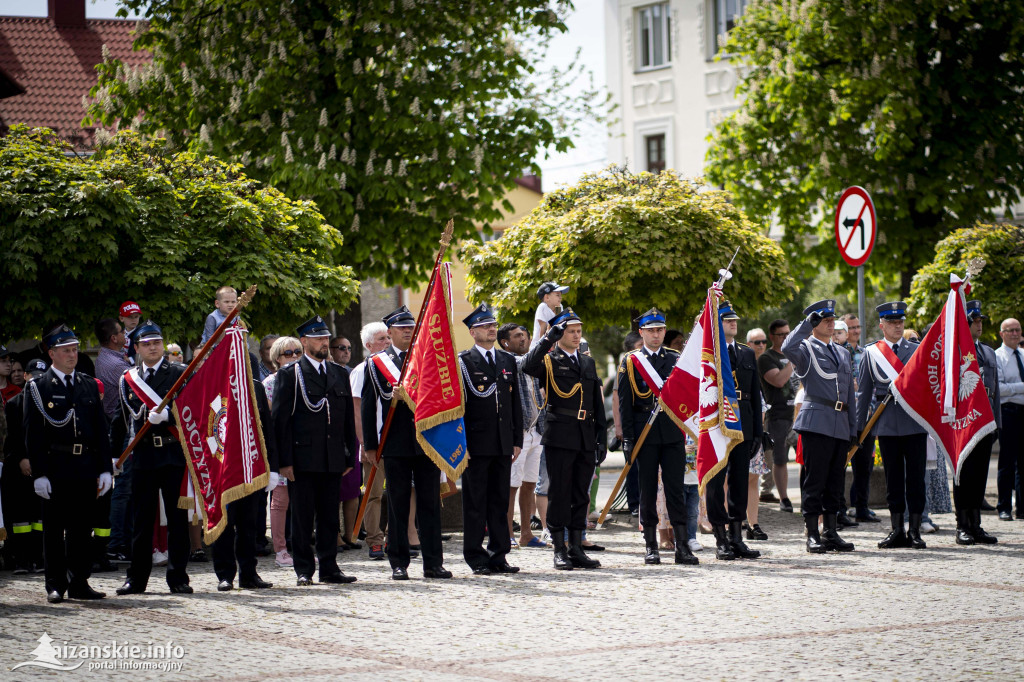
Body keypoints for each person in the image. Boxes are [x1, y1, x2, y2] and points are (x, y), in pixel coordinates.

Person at [25, 324, 113, 603]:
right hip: (55, 465)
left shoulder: (87, 383)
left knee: (81, 528)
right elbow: (33, 434)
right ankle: (55, 584)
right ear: (52, 353)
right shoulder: (38, 387)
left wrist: (105, 469)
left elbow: (100, 430)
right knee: (53, 529)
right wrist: (39, 473)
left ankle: (80, 581)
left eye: (74, 350)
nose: (72, 355)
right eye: (65, 351)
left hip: (85, 465)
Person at [363, 305, 451, 580]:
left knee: (430, 505)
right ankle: (398, 563)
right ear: (390, 333)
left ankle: (433, 563)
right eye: (403, 329)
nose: (408, 333)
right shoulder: (377, 363)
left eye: (412, 328)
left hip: (426, 442)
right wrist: (370, 446)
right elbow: (368, 406)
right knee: (398, 505)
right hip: (396, 443)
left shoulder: (427, 360)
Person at [271, 315, 358, 586]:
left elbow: (345, 419)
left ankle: (330, 568)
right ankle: (304, 569)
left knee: (330, 516)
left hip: (332, 457)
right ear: (304, 341)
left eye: (326, 338)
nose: (324, 343)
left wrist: (347, 455)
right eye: (319, 338)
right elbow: (280, 423)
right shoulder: (290, 374)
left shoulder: (338, 373)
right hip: (302, 458)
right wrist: (284, 462)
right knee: (303, 517)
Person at [113, 321, 193, 595]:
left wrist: (169, 416)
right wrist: (115, 455)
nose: (152, 347)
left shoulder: (180, 373)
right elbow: (121, 419)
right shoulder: (128, 379)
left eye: (156, 342)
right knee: (141, 521)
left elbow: (194, 412)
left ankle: (178, 577)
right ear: (136, 348)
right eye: (146, 344)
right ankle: (136, 578)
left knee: (177, 520)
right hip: (143, 456)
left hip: (173, 454)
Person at [522, 308, 607, 570]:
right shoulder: (549, 360)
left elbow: (596, 403)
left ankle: (576, 547)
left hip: (585, 434)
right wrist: (548, 339)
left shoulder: (587, 362)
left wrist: (601, 438)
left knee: (581, 494)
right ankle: (559, 548)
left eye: (578, 331)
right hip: (560, 434)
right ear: (560, 333)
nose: (575, 335)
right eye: (570, 331)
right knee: (559, 493)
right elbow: (527, 366)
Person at [618, 308, 697, 566]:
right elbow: (625, 403)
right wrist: (628, 439)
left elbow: (687, 395)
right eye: (651, 330)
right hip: (644, 432)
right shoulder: (631, 361)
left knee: (676, 489)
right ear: (641, 332)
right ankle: (651, 545)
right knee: (647, 489)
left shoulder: (676, 358)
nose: (656, 334)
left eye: (660, 330)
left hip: (672, 432)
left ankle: (682, 545)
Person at [782, 300, 857, 553]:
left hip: (839, 424)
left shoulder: (843, 352)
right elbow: (786, 346)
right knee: (815, 481)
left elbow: (848, 395)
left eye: (831, 319)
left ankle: (831, 532)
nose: (829, 323)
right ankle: (812, 533)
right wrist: (806, 324)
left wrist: (853, 428)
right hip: (816, 423)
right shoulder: (806, 349)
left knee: (835, 482)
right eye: (823, 320)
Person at [457, 304, 523, 575]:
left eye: (493, 325)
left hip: (502, 442)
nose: (492, 329)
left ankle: (499, 555)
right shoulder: (462, 362)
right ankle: (476, 556)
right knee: (475, 503)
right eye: (485, 326)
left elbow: (515, 403)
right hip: (475, 444)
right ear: (473, 332)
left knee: (499, 501)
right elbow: (458, 408)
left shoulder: (506, 360)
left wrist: (516, 439)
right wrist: (462, 445)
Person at [857, 302, 928, 549]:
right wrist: (859, 428)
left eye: (900, 322)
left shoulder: (917, 350)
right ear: (882, 325)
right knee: (893, 479)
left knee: (916, 479)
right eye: (892, 323)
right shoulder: (871, 353)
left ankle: (916, 530)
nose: (898, 327)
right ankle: (897, 529)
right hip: (886, 423)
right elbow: (864, 394)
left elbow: (926, 388)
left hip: (914, 422)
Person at [704, 302, 763, 560]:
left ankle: (737, 537)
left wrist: (758, 432)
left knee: (740, 481)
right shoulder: (709, 354)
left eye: (734, 320)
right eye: (727, 320)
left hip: (743, 423)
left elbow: (756, 395)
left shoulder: (747, 353)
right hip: (717, 423)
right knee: (716, 483)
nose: (732, 323)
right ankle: (720, 538)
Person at [212, 377, 275, 592]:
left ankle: (249, 574)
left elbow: (267, 426)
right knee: (224, 524)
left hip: (252, 465)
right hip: (222, 467)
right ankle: (225, 574)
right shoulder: (212, 382)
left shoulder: (254, 385)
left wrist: (272, 467)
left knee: (250, 524)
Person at [497, 323, 547, 549]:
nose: (523, 340)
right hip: (517, 434)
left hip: (536, 430)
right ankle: (507, 532)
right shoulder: (506, 361)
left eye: (525, 336)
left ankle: (526, 533)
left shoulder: (533, 362)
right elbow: (523, 365)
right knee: (511, 485)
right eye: (517, 336)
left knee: (529, 484)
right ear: (505, 342)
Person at [954, 300, 1000, 544]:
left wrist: (997, 422)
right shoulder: (958, 352)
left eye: (981, 320)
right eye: (975, 321)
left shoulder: (989, 352)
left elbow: (996, 390)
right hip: (964, 421)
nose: (979, 324)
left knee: (980, 474)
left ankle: (976, 524)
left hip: (986, 421)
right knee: (964, 473)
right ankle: (962, 525)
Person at [349, 322, 391, 560]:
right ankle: (374, 540)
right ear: (368, 345)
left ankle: (395, 537)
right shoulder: (362, 370)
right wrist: (365, 444)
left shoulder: (397, 366)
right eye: (381, 339)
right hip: (374, 443)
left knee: (398, 493)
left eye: (387, 338)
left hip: (396, 442)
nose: (387, 342)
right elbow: (357, 410)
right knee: (373, 494)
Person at [1, 358, 47, 574]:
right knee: (20, 518)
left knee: (40, 518)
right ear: (26, 377)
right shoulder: (14, 404)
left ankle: (39, 558)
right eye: (32, 377)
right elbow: (13, 437)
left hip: (44, 466)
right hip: (19, 468)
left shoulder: (51, 402)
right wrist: (21, 459)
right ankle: (22, 560)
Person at [262, 336, 303, 567]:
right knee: (280, 501)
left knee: (303, 502)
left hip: (305, 449)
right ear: (277, 358)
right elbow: (273, 422)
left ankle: (301, 547)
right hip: (281, 448)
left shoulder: (308, 379)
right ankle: (280, 549)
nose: (294, 356)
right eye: (288, 353)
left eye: (297, 352)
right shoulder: (270, 383)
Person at [758, 319, 798, 513]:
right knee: (780, 459)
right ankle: (784, 498)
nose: (785, 337)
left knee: (806, 457)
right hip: (779, 415)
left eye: (788, 333)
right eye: (781, 334)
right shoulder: (766, 358)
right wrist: (794, 361)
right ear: (772, 336)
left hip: (800, 413)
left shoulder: (797, 354)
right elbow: (779, 380)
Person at [995, 317, 1024, 521]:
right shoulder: (997, 357)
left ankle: (1021, 508)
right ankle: (1004, 507)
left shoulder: (1023, 354)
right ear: (1001, 334)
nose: (1015, 334)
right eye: (1010, 330)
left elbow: (1009, 388)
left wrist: (1015, 389)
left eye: (1017, 330)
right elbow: (1000, 390)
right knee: (1006, 462)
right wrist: (1022, 387)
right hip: (1008, 413)